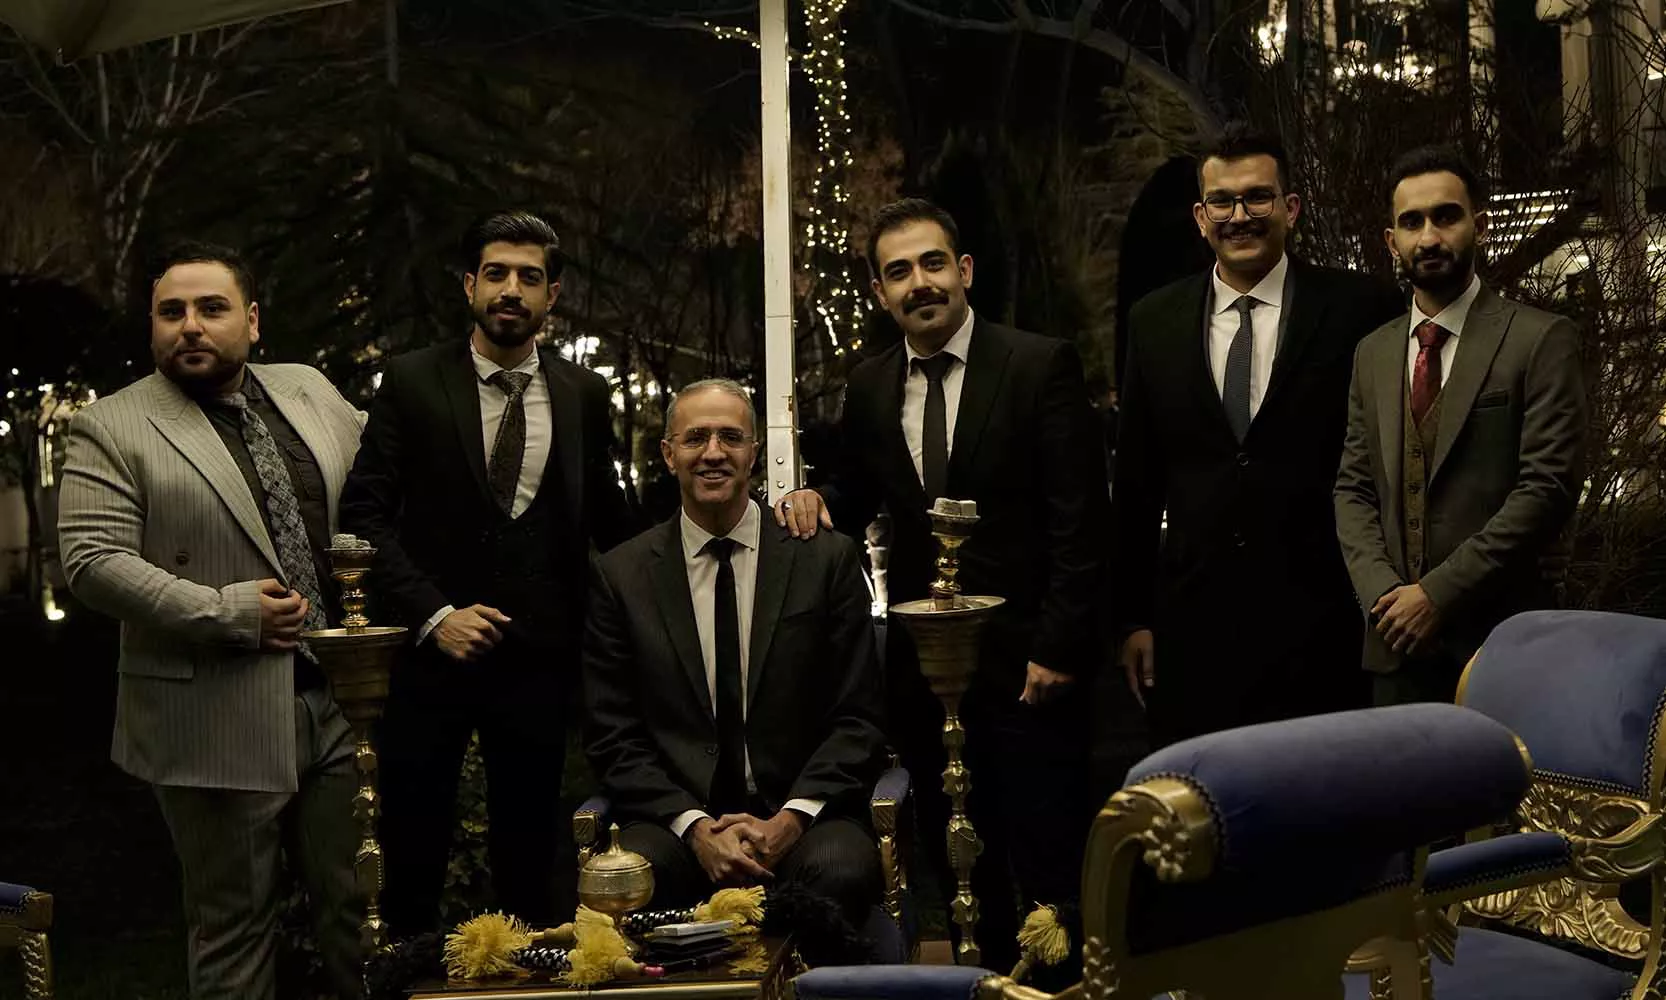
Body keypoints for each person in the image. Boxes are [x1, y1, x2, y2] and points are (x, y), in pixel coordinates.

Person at [773, 198, 1107, 975]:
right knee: (963, 871)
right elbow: (860, 493)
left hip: (1032, 669)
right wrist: (816, 499)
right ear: (879, 292)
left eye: (932, 263)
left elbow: (1081, 521)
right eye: (899, 272)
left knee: (1052, 872)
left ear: (964, 270)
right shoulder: (868, 384)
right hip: (928, 676)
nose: (919, 283)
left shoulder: (1038, 364)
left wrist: (1058, 646)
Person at [57, 242, 366, 1000]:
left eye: (211, 308)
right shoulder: (112, 426)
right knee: (234, 934)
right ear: (153, 326)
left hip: (337, 704)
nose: (190, 325)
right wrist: (225, 612)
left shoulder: (309, 390)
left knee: (361, 920)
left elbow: (382, 489)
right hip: (211, 712)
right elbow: (92, 560)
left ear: (252, 321)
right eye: (171, 312)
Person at [339, 211, 636, 933]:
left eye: (529, 278)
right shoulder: (411, 381)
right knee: (412, 859)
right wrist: (435, 615)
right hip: (430, 661)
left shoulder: (583, 394)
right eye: (496, 274)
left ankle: (524, 976)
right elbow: (363, 516)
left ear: (552, 295)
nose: (511, 290)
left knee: (531, 868)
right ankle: (411, 976)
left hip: (541, 665)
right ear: (468, 284)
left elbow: (613, 524)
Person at [1112, 123, 1405, 748]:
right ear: (1201, 217)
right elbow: (1136, 481)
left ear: (1290, 209)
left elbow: (1391, 462)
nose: (1239, 216)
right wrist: (1133, 619)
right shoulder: (1154, 320)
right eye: (1222, 201)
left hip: (1327, 622)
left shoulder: (1360, 309)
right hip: (1195, 630)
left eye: (1257, 198)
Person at [584, 378, 886, 928]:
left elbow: (858, 718)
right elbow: (613, 735)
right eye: (695, 438)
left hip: (804, 813)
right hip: (674, 821)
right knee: (632, 877)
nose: (714, 453)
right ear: (668, 454)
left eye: (730, 437)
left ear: (754, 452)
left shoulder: (824, 560)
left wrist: (790, 820)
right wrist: (696, 828)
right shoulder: (621, 577)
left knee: (839, 871)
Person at [1335, 146, 1588, 705]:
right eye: (1411, 222)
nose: (1428, 237)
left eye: (1446, 216)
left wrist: (1437, 595)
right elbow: (1353, 488)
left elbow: (1546, 488)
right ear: (1391, 241)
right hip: (1396, 648)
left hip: (1503, 643)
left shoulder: (1540, 339)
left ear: (1481, 225)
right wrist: (1384, 597)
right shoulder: (1372, 353)